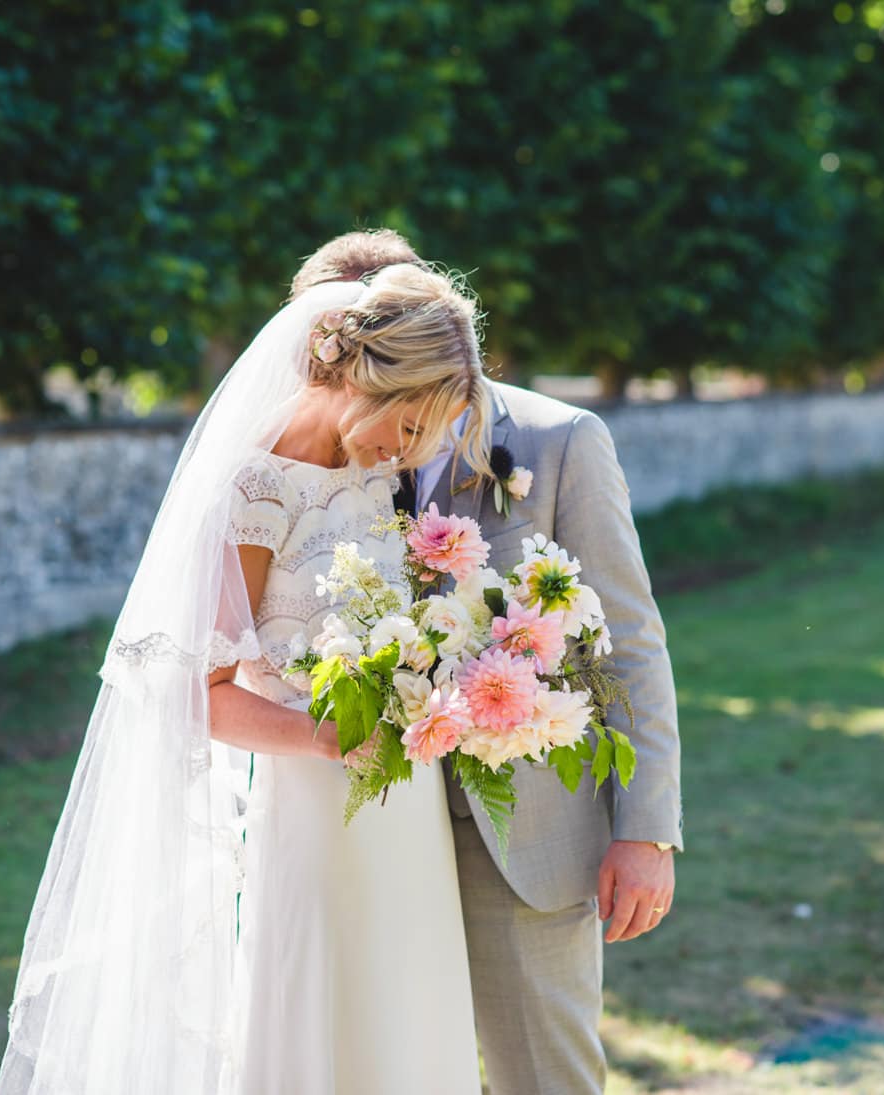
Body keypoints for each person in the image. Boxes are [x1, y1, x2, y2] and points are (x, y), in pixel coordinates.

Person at [0, 261, 497, 1093]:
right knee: (327, 1023)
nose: (411, 452)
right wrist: (327, 736)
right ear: (364, 384)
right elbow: (200, 693)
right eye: (408, 428)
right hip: (315, 810)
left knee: (412, 1018)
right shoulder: (257, 486)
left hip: (409, 805)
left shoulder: (381, 476)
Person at [291, 230, 685, 1095]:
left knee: (543, 1079)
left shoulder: (561, 442)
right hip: (364, 831)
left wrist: (647, 829)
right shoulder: (315, 461)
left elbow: (632, 637)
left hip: (526, 838)